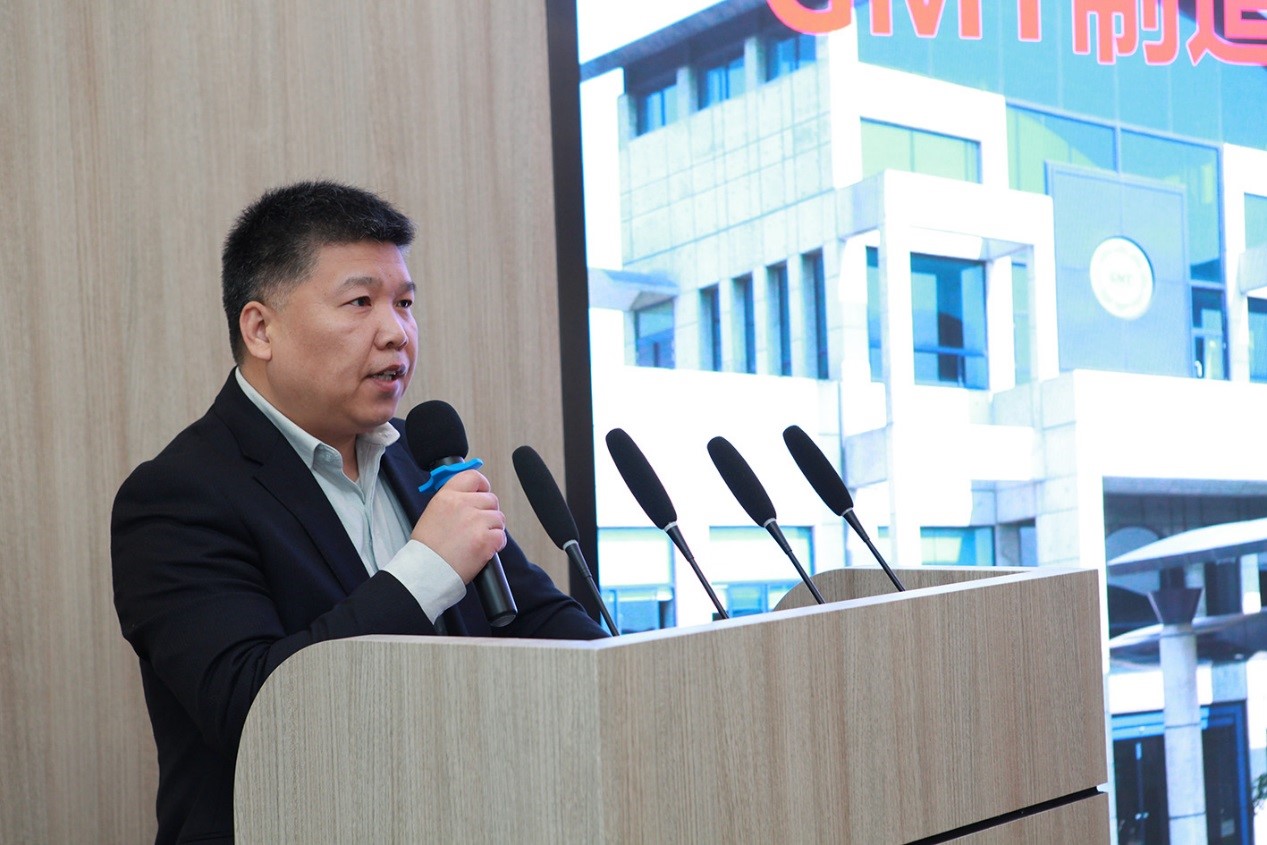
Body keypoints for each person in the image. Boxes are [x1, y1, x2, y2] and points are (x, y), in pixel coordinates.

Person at [112, 181, 606, 845]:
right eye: (360, 302)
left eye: (405, 303)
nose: (396, 332)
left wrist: (625, 672)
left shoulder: (419, 460)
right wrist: (427, 569)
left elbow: (537, 622)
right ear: (260, 328)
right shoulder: (177, 496)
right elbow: (251, 709)